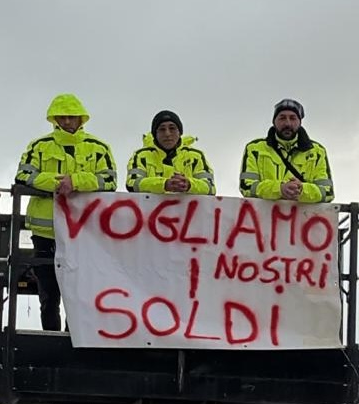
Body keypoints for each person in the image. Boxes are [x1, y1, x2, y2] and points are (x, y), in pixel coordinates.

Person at [15, 93, 116, 331]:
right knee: (48, 295)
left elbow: (110, 181)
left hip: (83, 232)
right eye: (63, 116)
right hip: (44, 232)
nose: (68, 121)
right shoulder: (39, 146)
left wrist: (76, 181)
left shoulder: (98, 147)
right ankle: (51, 337)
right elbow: (22, 176)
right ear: (54, 118)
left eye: (73, 116)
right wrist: (57, 183)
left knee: (78, 294)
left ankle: (73, 340)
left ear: (82, 119)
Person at [239, 99, 334, 203]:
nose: (287, 123)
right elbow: (246, 186)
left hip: (304, 218)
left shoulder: (317, 152)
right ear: (274, 121)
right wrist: (279, 189)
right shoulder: (254, 149)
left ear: (300, 122)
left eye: (293, 118)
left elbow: (328, 192)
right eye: (282, 118)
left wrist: (302, 190)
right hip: (262, 218)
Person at [126, 110, 215, 195]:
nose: (167, 133)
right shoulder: (141, 156)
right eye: (162, 129)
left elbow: (210, 187)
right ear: (154, 135)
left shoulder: (196, 156)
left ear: (179, 132)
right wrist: (164, 184)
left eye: (172, 128)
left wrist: (189, 185)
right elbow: (132, 184)